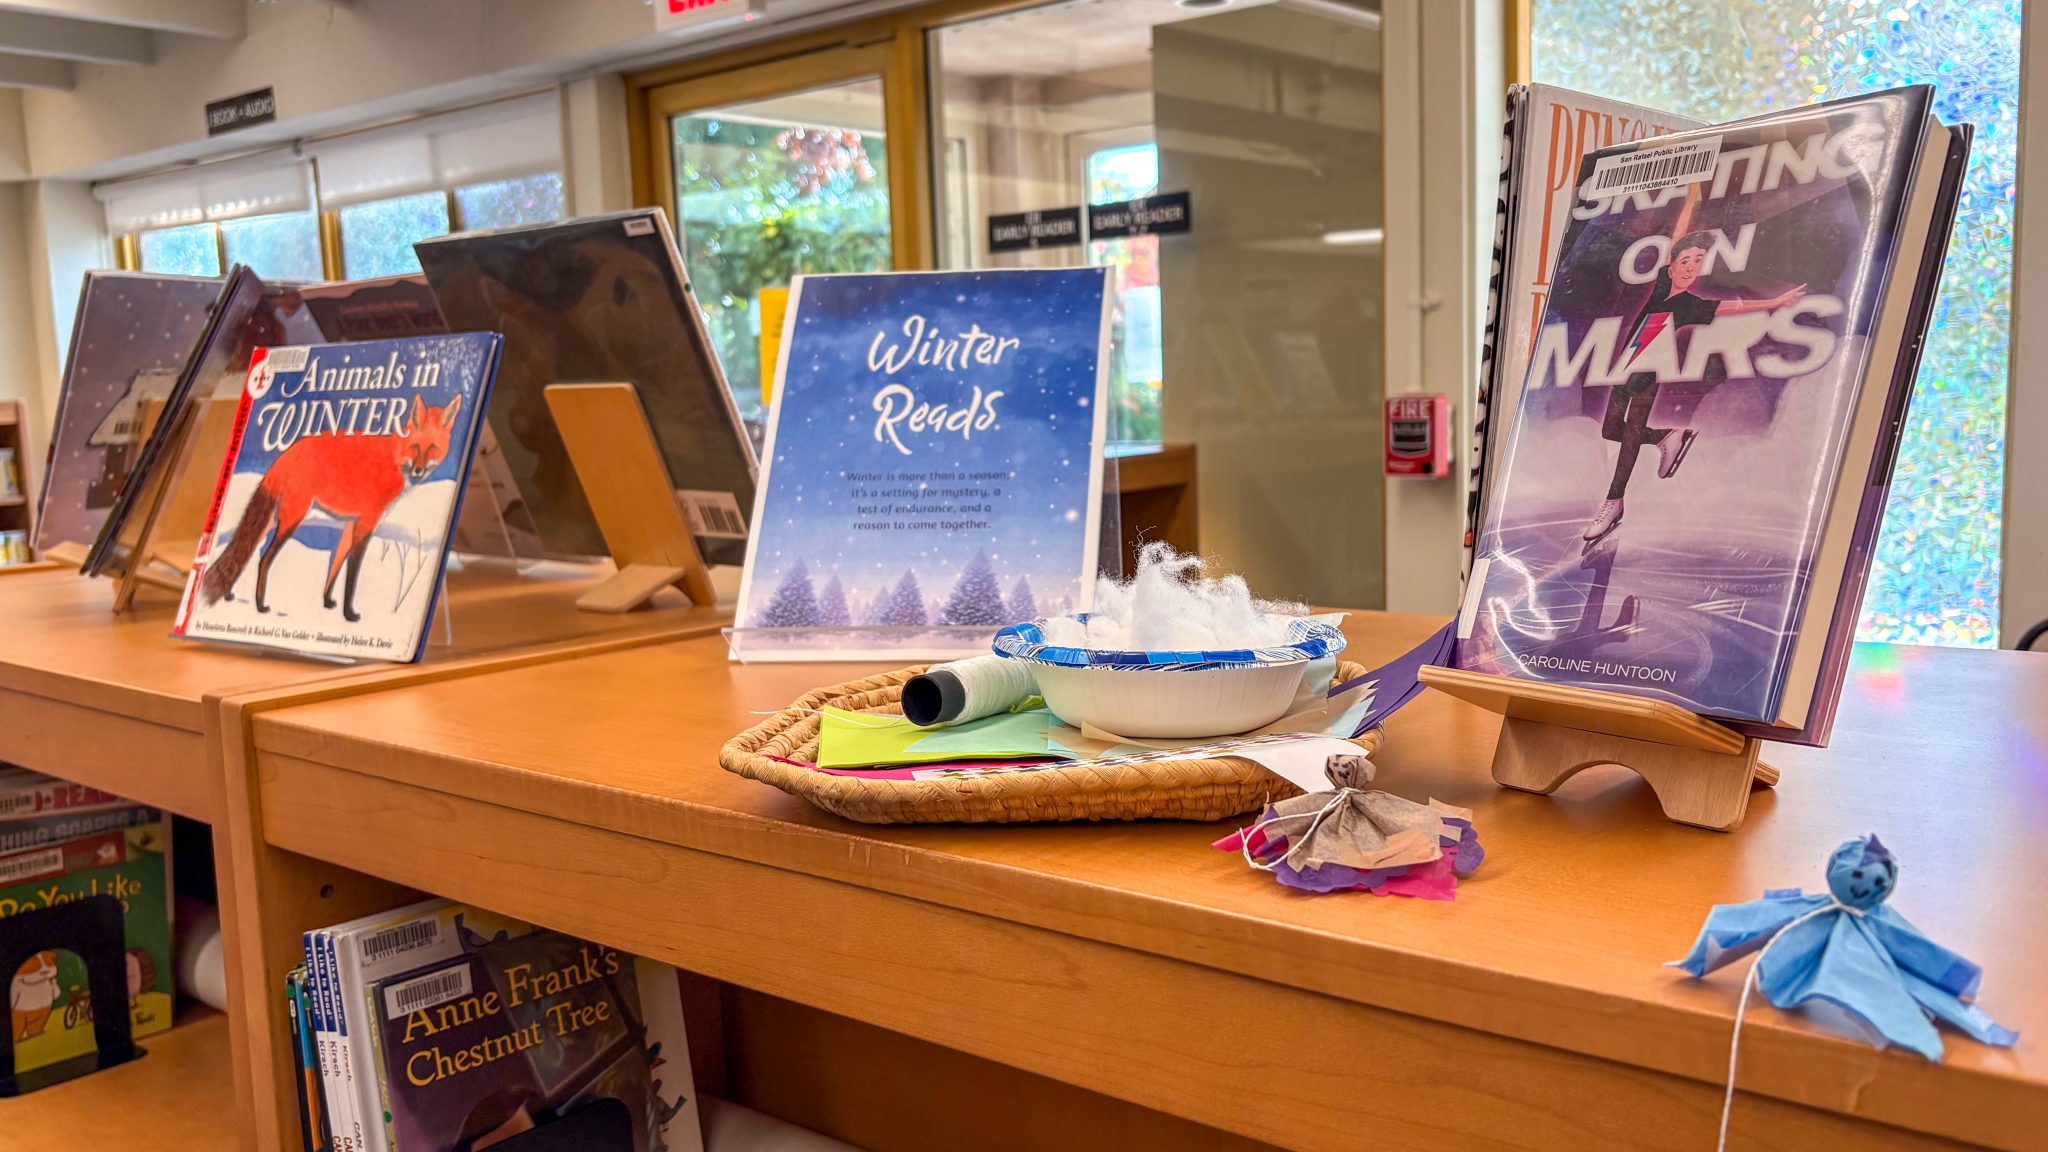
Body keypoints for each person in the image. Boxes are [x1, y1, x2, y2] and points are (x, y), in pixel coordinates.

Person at [1584, 185, 1805, 547]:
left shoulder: (1689, 304)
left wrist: (1775, 302)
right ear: (1673, 265)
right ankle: (1667, 435)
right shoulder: (1661, 284)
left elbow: (1731, 307)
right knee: (1611, 429)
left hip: (1651, 368)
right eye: (1685, 261)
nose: (1690, 268)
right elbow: (1678, 236)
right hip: (1628, 362)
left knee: (1629, 436)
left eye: (1698, 262)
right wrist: (1689, 199)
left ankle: (1614, 502)